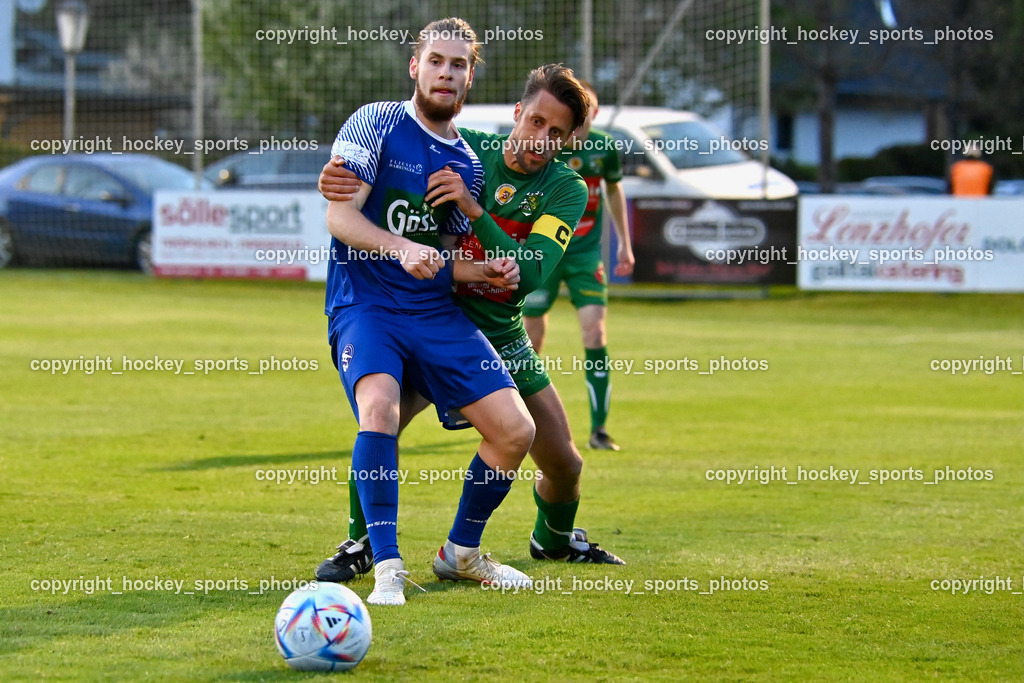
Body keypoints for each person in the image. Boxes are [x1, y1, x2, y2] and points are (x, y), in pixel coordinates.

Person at [318, 63, 625, 585]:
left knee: (566, 464)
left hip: (503, 334)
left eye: (557, 133)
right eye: (535, 122)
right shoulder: (467, 149)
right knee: (381, 421)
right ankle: (362, 542)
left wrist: (471, 208)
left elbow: (525, 277)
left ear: (572, 138)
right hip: (437, 317)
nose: (541, 139)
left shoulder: (566, 189)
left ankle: (552, 541)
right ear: (518, 113)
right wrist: (334, 177)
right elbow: (386, 173)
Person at [322, 17, 536, 606]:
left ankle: (460, 554)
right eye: (436, 61)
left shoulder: (466, 165)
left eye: (459, 64)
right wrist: (399, 247)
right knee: (381, 408)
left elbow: (441, 258)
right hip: (366, 305)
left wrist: (485, 271)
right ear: (415, 67)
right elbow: (339, 217)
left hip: (434, 312)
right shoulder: (377, 122)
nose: (447, 72)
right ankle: (387, 564)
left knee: (516, 431)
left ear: (470, 77)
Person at [523, 80, 634, 451]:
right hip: (546, 253)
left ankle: (599, 429)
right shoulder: (547, 148)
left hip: (585, 256)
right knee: (530, 340)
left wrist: (624, 245)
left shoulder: (604, 148)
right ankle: (517, 422)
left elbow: (614, 191)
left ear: (594, 115)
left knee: (595, 334)